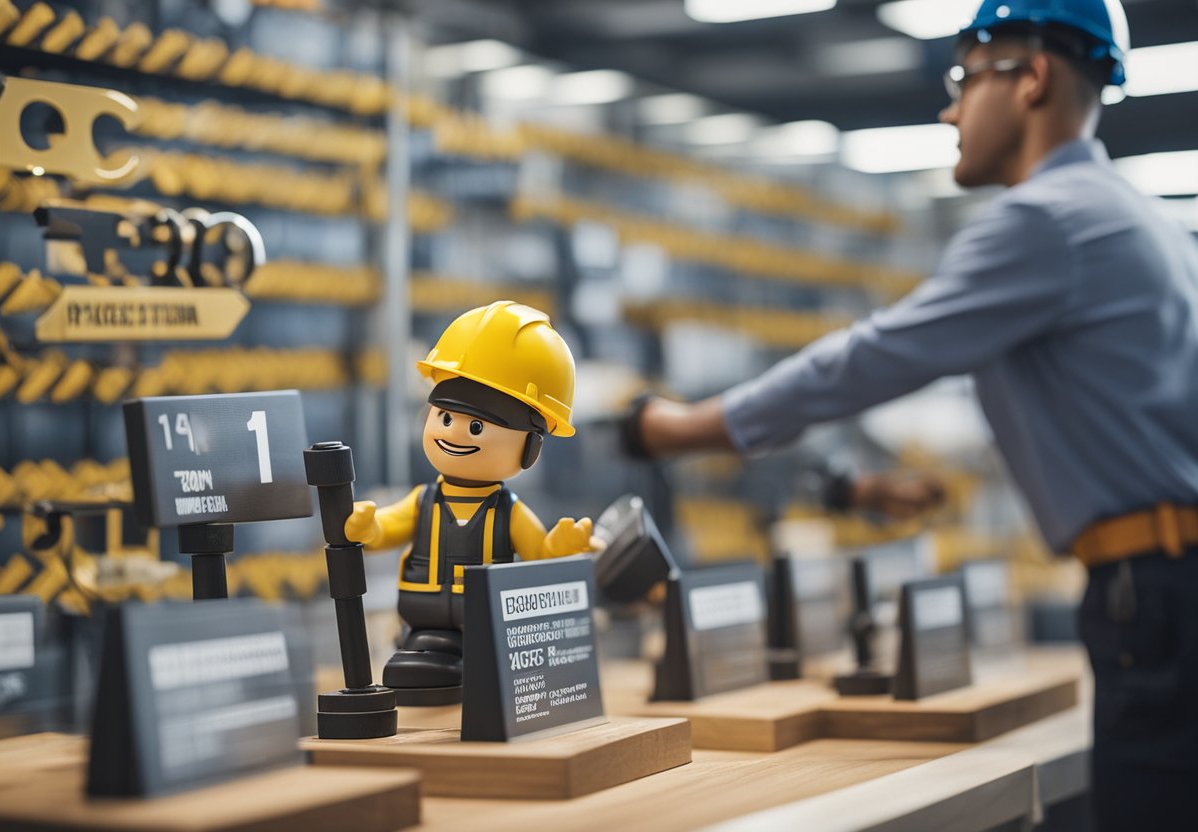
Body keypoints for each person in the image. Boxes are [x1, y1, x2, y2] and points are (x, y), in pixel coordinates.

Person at [625, 1, 1198, 827]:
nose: (950, 107)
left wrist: (684, 428)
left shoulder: (1043, 221)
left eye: (965, 78)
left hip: (1156, 598)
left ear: (1031, 77)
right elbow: (1094, 407)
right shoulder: (1148, 223)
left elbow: (869, 358)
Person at [344, 301, 597, 705]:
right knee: (415, 664)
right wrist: (365, 528)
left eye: (476, 426)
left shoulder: (508, 511)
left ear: (531, 448)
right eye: (445, 418)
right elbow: (385, 529)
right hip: (421, 623)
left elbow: (539, 550)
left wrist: (561, 547)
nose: (456, 433)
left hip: (488, 627)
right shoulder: (424, 500)